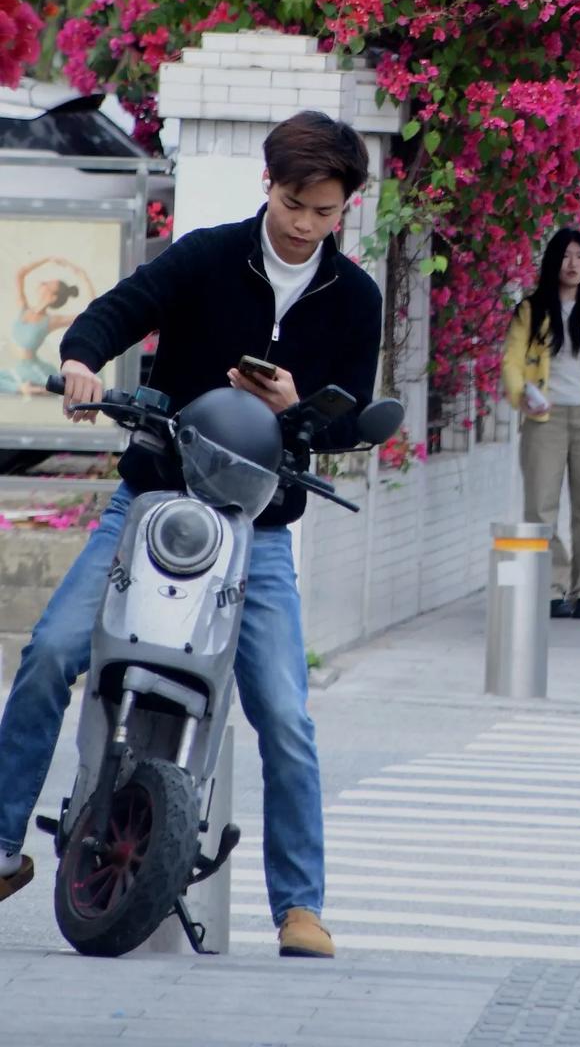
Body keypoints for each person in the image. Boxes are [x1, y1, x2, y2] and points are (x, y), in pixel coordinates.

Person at [0, 111, 383, 959]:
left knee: (285, 712)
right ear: (269, 185)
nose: (304, 223)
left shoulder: (354, 296)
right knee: (54, 650)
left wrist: (301, 410)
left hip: (260, 532)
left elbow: (352, 414)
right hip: (151, 505)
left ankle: (300, 906)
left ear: (344, 208)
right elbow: (113, 312)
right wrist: (81, 359)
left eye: (323, 212)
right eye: (293, 203)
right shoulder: (207, 255)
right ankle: (1, 841)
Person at [502, 228, 580, 620]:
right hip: (546, 419)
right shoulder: (531, 309)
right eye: (565, 256)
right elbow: (512, 359)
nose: (572, 264)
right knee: (540, 507)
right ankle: (552, 587)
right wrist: (520, 393)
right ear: (553, 261)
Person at [0, 261, 89, 396]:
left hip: (34, 371)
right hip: (20, 368)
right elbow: (19, 274)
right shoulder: (24, 309)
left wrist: (84, 277)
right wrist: (49, 259)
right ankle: (22, 388)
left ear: (53, 297)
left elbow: (90, 314)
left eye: (47, 284)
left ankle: (27, 389)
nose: (42, 283)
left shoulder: (51, 321)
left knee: (56, 388)